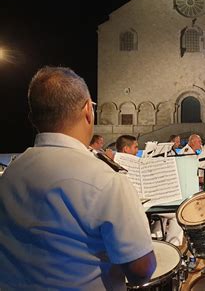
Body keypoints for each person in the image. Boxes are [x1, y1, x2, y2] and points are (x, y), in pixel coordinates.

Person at [0, 67, 156, 289]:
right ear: (87, 111)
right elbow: (141, 271)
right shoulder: (106, 180)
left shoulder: (10, 174)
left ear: (33, 118)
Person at [119, 134, 184, 247]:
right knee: (177, 214)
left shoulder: (119, 162)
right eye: (135, 147)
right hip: (136, 205)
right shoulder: (128, 164)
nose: (137, 150)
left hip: (140, 202)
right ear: (126, 149)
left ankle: (156, 238)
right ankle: (173, 249)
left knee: (163, 214)